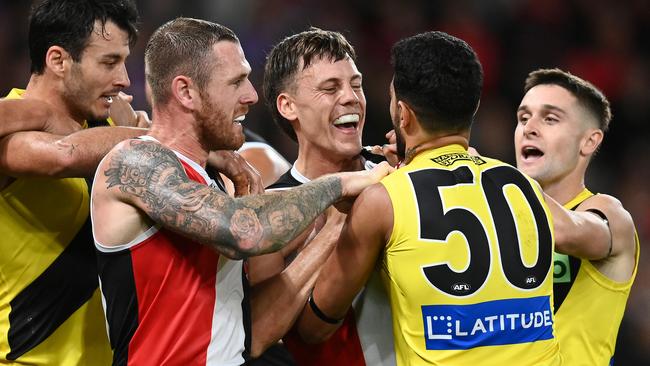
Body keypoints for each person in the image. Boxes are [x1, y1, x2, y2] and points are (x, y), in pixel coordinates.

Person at [90, 17, 392, 365]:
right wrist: (340, 184)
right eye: (236, 82)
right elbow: (244, 232)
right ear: (186, 92)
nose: (251, 95)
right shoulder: (137, 162)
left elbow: (252, 332)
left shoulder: (211, 179)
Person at [293, 31, 564, 365]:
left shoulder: (383, 200)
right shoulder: (527, 187)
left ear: (403, 115)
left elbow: (314, 327)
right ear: (474, 106)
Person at [0, 0, 145, 364]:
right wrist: (43, 113)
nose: (125, 79)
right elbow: (65, 154)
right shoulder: (9, 138)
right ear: (58, 60)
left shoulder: (109, 125)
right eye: (109, 62)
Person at [253, 28, 395, 366]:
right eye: (330, 88)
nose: (350, 97)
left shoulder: (401, 177)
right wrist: (340, 220)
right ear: (288, 106)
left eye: (356, 85)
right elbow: (258, 333)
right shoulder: (270, 210)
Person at [514, 68, 639, 365]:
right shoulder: (499, 208)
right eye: (523, 117)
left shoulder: (609, 214)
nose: (530, 127)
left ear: (589, 142)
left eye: (550, 118)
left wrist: (489, 174)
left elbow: (565, 232)